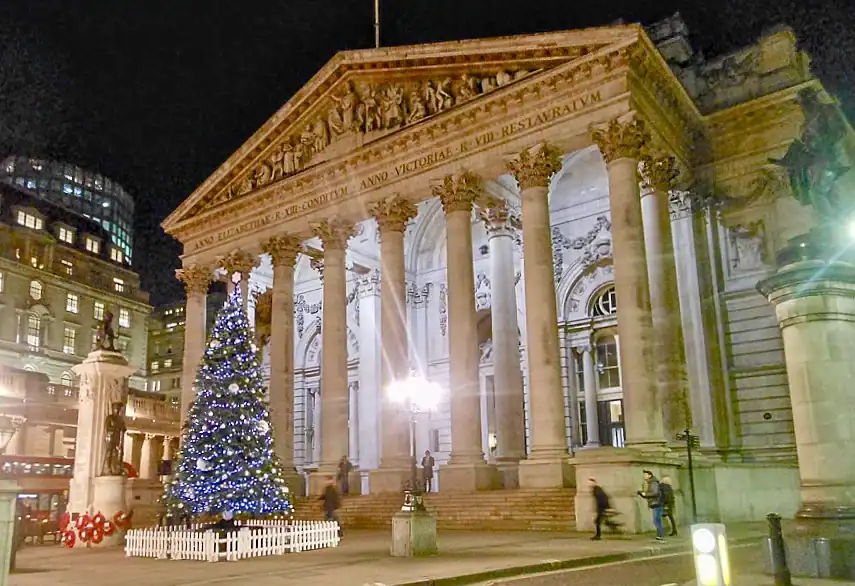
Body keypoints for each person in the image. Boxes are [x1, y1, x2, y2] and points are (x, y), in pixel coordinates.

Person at [637, 470, 665, 541]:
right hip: (655, 503)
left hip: (657, 503)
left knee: (656, 520)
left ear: (650, 475)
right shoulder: (650, 483)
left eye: (645, 475)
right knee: (656, 520)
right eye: (644, 475)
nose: (644, 476)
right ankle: (660, 534)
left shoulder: (653, 482)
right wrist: (642, 493)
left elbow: (655, 493)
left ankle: (660, 535)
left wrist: (645, 494)